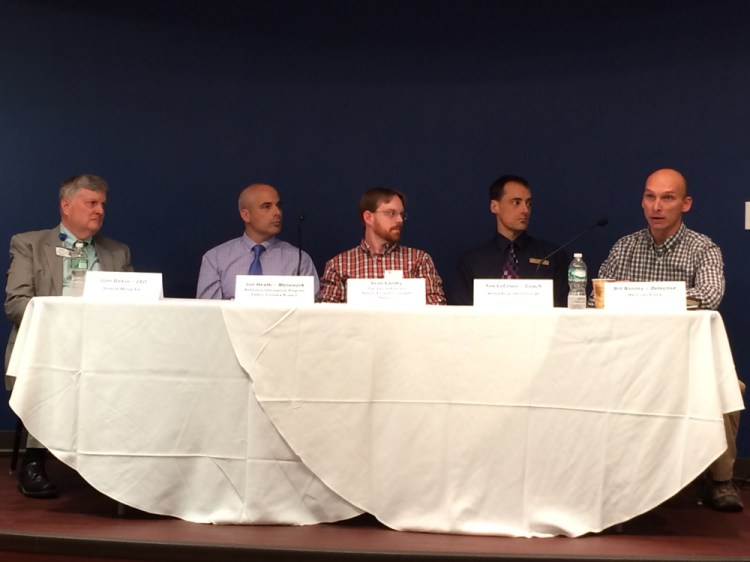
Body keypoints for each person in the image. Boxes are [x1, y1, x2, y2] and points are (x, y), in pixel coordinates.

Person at [597, 167, 743, 512]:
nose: (657, 206)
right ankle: (613, 480)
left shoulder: (702, 248)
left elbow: (709, 295)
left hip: (688, 360)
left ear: (686, 203)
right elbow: (598, 297)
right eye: (650, 197)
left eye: (667, 198)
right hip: (632, 358)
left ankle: (720, 481)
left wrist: (642, 295)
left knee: (731, 389)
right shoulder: (625, 247)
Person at [4, 173, 133, 499]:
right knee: (50, 365)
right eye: (91, 203)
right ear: (66, 205)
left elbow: (134, 308)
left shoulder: (117, 253)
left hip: (104, 346)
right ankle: (34, 461)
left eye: (103, 204)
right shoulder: (30, 244)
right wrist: (61, 326)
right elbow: (16, 304)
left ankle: (112, 468)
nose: (100, 210)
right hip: (47, 344)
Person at [450, 175, 568, 306]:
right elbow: (460, 316)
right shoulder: (471, 262)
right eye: (516, 202)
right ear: (494, 206)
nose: (525, 210)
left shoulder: (553, 256)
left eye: (528, 203)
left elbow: (565, 312)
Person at [317, 187, 445, 304]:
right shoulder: (338, 265)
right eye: (391, 213)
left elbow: (436, 311)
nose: (399, 220)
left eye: (401, 214)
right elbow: (327, 317)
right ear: (368, 217)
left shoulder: (420, 260)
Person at [196, 183, 319, 299]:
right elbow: (208, 313)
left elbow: (311, 313)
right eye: (266, 207)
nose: (277, 213)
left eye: (279, 206)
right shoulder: (215, 258)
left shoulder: (299, 259)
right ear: (245, 215)